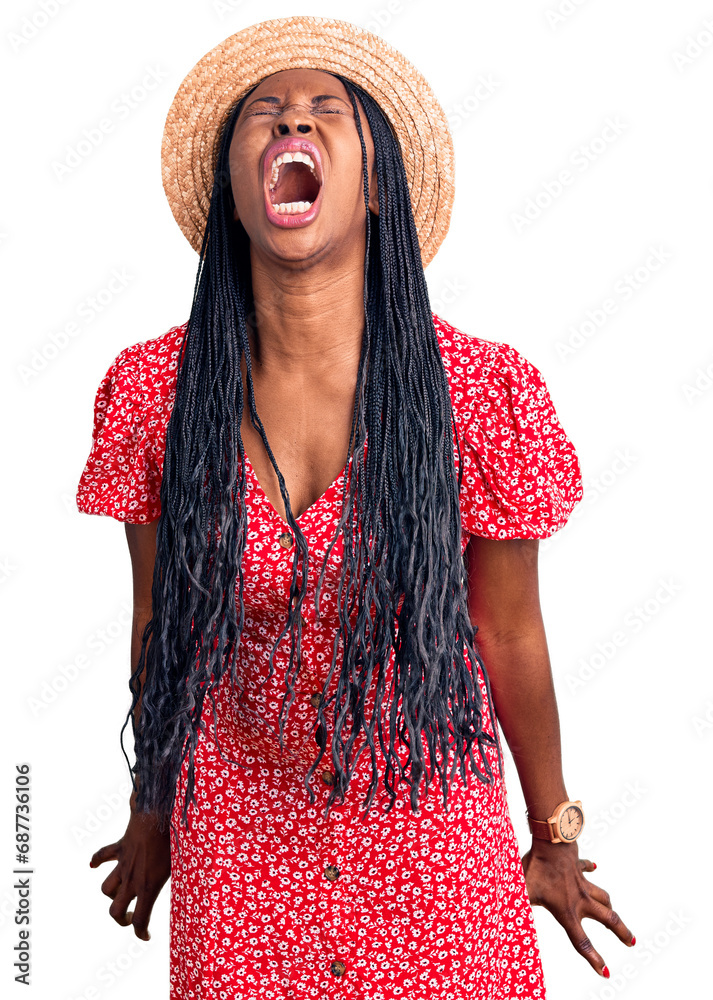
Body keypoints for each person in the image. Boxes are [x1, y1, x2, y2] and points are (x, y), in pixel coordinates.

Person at [77, 15, 635, 999]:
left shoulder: (478, 391)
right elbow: (158, 626)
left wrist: (551, 833)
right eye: (266, 113)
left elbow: (506, 632)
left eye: (326, 110)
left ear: (376, 187)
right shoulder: (153, 390)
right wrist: (153, 810)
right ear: (235, 193)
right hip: (240, 844)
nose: (292, 117)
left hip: (432, 839)